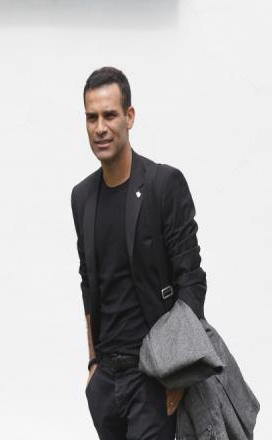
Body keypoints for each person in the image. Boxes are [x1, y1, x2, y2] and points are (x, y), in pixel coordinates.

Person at [70, 66, 207, 440]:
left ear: (129, 117)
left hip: (153, 378)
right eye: (92, 117)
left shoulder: (164, 184)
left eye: (110, 115)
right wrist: (93, 363)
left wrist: (179, 371)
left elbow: (191, 280)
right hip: (106, 384)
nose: (100, 128)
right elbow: (88, 282)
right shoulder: (82, 197)